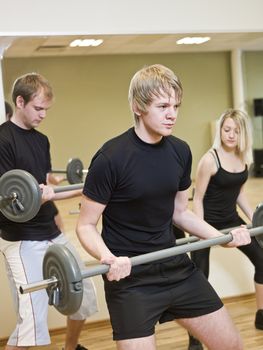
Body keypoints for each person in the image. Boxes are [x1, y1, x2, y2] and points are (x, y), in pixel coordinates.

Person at [76, 64, 251, 350]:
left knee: (232, 345)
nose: (172, 114)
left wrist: (225, 237)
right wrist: (108, 258)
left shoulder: (180, 151)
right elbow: (85, 225)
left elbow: (180, 212)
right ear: (137, 106)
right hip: (131, 276)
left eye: (176, 105)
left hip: (175, 265)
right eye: (162, 106)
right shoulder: (110, 158)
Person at [0, 73, 98, 350]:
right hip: (22, 240)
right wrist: (41, 196)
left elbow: (46, 185)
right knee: (31, 324)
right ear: (20, 101)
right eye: (38, 108)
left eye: (46, 109)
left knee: (82, 297)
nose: (43, 115)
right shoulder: (3, 140)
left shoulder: (41, 140)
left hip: (51, 234)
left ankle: (70, 348)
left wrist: (83, 186)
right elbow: (9, 199)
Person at [187, 108, 263, 349]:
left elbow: (239, 195)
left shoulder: (243, 159)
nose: (230, 135)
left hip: (231, 220)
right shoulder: (210, 159)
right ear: (220, 130)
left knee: (262, 260)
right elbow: (197, 198)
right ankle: (194, 337)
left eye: (236, 131)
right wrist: (199, 232)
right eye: (226, 129)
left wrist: (256, 221)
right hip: (205, 222)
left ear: (243, 134)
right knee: (199, 277)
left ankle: (261, 315)